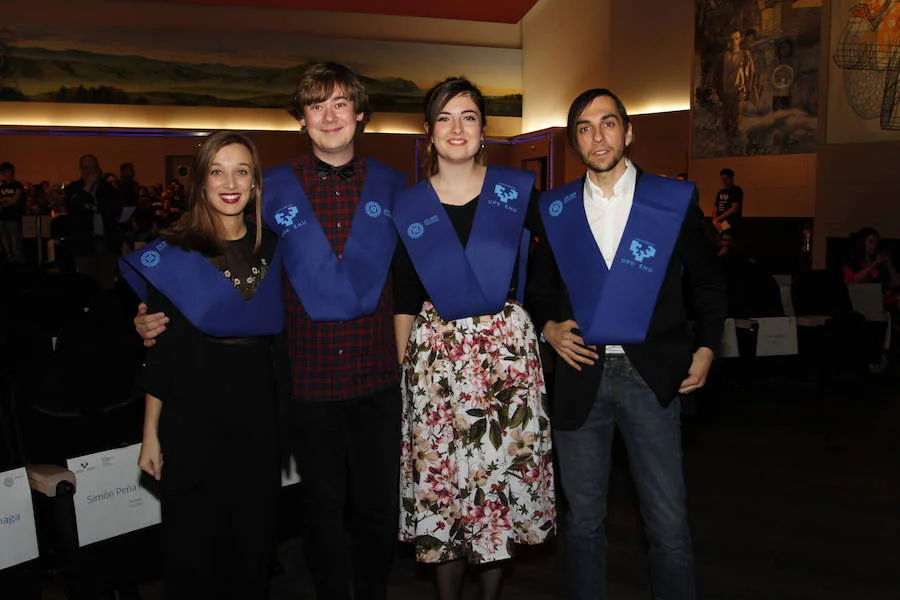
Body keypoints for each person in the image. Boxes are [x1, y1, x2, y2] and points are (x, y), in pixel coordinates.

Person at [135, 62, 407, 600]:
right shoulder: (272, 192)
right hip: (303, 379)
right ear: (301, 119)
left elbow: (411, 279)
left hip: (377, 374)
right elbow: (214, 258)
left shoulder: (396, 188)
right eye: (316, 105)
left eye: (339, 104)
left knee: (379, 505)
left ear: (360, 115)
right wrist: (150, 313)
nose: (329, 116)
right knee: (319, 509)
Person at [526, 88, 726, 600]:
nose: (598, 136)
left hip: (651, 375)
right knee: (585, 524)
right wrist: (548, 327)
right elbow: (540, 288)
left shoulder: (671, 201)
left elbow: (706, 281)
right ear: (575, 141)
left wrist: (706, 348)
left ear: (628, 131)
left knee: (668, 525)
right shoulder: (555, 208)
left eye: (608, 123)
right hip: (579, 376)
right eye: (586, 128)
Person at [392, 77, 555, 599]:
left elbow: (558, 262)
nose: (456, 127)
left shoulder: (516, 193)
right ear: (428, 132)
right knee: (444, 490)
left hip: (505, 358)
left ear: (484, 129)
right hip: (434, 364)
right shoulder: (409, 205)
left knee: (495, 492)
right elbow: (402, 294)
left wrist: (549, 321)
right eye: (444, 117)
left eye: (467, 116)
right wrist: (406, 380)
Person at [122, 131, 286, 600]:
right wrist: (150, 431)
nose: (230, 182)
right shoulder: (173, 253)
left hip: (257, 415)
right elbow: (162, 350)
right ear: (200, 182)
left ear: (256, 184)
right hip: (191, 416)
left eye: (242, 171)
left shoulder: (274, 248)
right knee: (192, 546)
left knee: (252, 542)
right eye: (217, 171)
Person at [711, 29, 756, 140]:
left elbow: (751, 73)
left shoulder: (745, 55)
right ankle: (730, 140)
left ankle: (737, 139)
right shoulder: (723, 57)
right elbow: (716, 75)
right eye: (731, 39)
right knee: (727, 117)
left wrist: (752, 89)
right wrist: (714, 91)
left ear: (740, 39)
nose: (734, 42)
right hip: (726, 90)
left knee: (737, 115)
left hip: (739, 90)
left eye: (736, 39)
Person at [843, 226, 900, 312]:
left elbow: (896, 283)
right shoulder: (852, 265)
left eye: (876, 242)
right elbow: (852, 281)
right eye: (870, 242)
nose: (874, 245)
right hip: (861, 303)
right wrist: (874, 264)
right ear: (862, 243)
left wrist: (889, 266)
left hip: (882, 304)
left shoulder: (881, 266)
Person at [0, 162, 26, 263]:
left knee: (16, 247)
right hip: (2, 218)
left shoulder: (17, 185)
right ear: (3, 173)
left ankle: (20, 266)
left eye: (10, 171)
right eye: (6, 171)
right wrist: (7, 200)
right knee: (7, 248)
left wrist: (4, 201)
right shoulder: (1, 186)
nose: (9, 173)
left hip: (14, 218)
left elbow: (15, 200)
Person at [712, 167, 743, 232]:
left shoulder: (736, 190)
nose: (724, 181)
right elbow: (715, 208)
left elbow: (734, 208)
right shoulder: (721, 192)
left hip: (731, 222)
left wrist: (717, 219)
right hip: (719, 222)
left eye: (726, 178)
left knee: (728, 238)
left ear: (731, 178)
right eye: (722, 179)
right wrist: (714, 221)